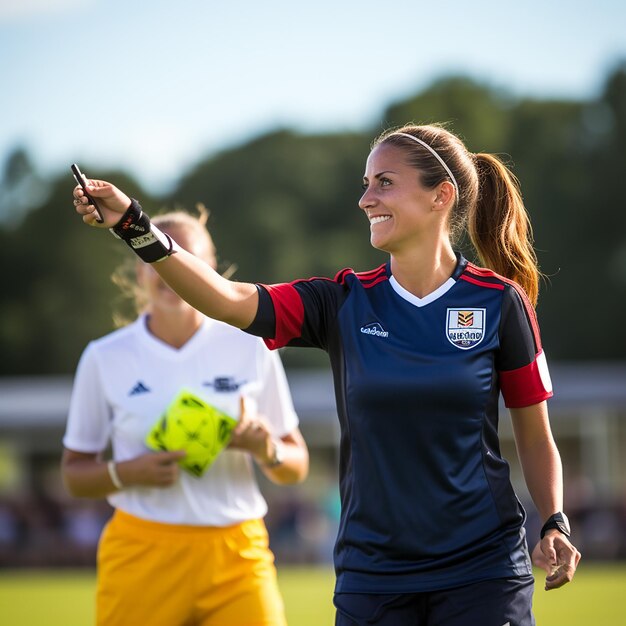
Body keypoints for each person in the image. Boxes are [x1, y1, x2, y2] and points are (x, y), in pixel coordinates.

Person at [72, 122, 581, 626]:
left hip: (483, 570)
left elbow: (536, 437)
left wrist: (554, 520)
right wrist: (133, 223)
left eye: (384, 182)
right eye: (365, 184)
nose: (365, 199)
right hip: (373, 574)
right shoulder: (341, 300)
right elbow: (225, 300)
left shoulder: (499, 302)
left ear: (440, 196)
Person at [61, 206, 309, 626]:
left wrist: (265, 449)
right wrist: (126, 473)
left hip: (237, 551)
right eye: (151, 256)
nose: (166, 271)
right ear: (138, 270)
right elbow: (74, 475)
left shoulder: (251, 344)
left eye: (180, 259)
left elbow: (295, 466)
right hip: (140, 551)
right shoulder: (104, 357)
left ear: (210, 270)